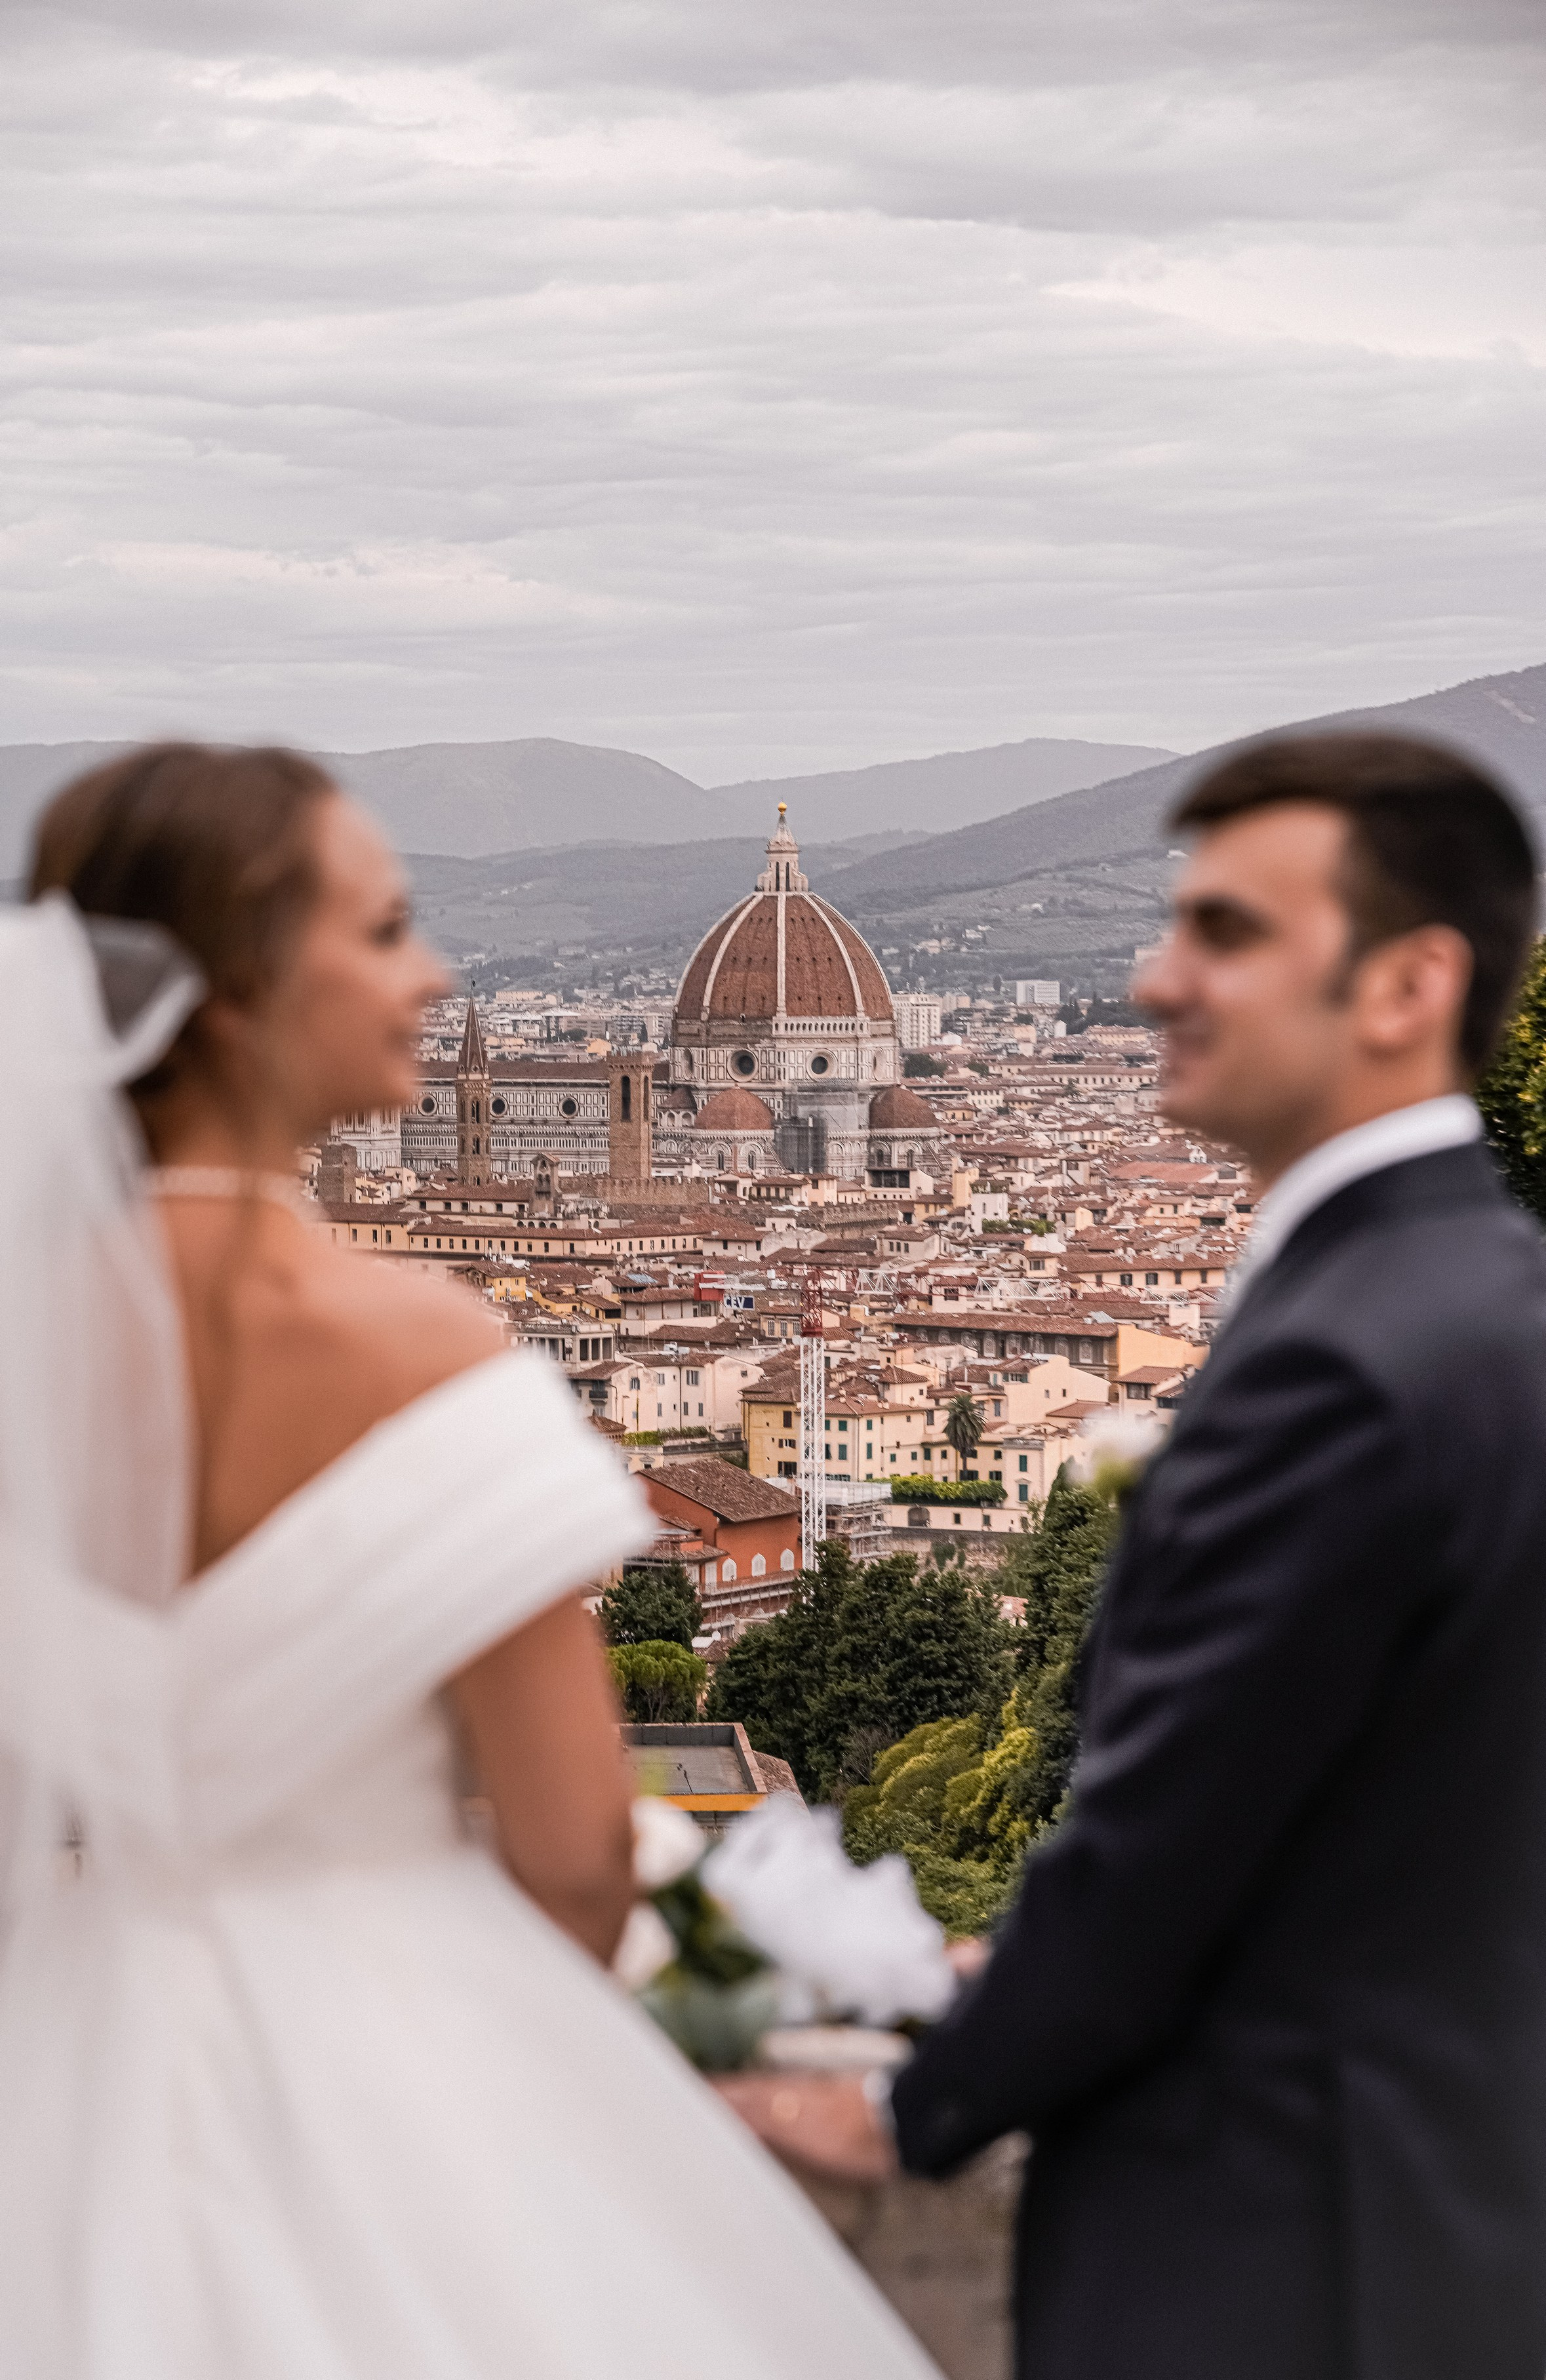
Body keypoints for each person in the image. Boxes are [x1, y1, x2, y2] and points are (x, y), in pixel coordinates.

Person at [0, 743, 941, 2379]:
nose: (434, 976)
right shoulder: (414, 1342)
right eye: (381, 932)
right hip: (384, 2067)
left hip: (66, 2060)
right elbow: (575, 1854)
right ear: (232, 993)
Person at [725, 731, 1546, 2379]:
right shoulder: (1486, 1295)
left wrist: (917, 2107)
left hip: (1284, 2241)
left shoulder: (1345, 1356)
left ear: (1407, 985)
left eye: (1225, 935)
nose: (1153, 981)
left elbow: (1171, 1831)